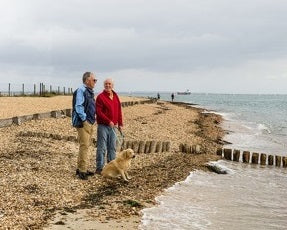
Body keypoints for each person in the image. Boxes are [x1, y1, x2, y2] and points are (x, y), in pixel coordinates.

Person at [72, 72, 97, 180]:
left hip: (89, 121)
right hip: (83, 123)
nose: (95, 82)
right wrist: (85, 120)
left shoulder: (89, 91)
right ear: (87, 80)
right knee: (85, 146)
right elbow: (78, 106)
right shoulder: (81, 90)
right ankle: (82, 171)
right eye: (94, 80)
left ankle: (81, 168)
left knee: (85, 146)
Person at [95, 78, 123, 174]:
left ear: (112, 85)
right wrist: (108, 121)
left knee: (112, 147)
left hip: (113, 126)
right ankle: (99, 167)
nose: (108, 85)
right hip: (103, 126)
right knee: (102, 147)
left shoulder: (115, 96)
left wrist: (120, 123)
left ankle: (111, 166)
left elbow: (119, 110)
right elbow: (99, 112)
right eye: (106, 84)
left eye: (109, 84)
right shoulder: (100, 97)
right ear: (104, 85)